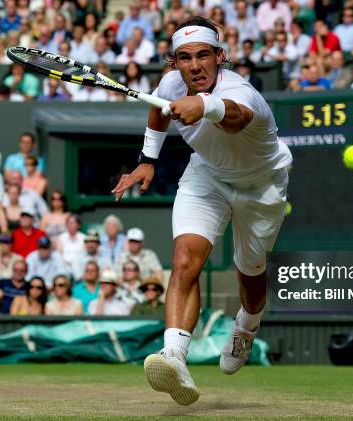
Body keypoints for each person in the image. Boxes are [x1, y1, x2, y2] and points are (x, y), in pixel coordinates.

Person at [111, 16, 292, 405]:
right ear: (174, 62)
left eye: (204, 55)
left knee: (251, 280)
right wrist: (147, 158)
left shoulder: (243, 93)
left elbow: (236, 118)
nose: (195, 65)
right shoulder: (172, 83)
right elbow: (159, 110)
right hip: (207, 177)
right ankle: (174, 356)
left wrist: (206, 105)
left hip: (262, 187)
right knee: (184, 260)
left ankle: (247, 325)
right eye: (185, 58)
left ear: (220, 57)